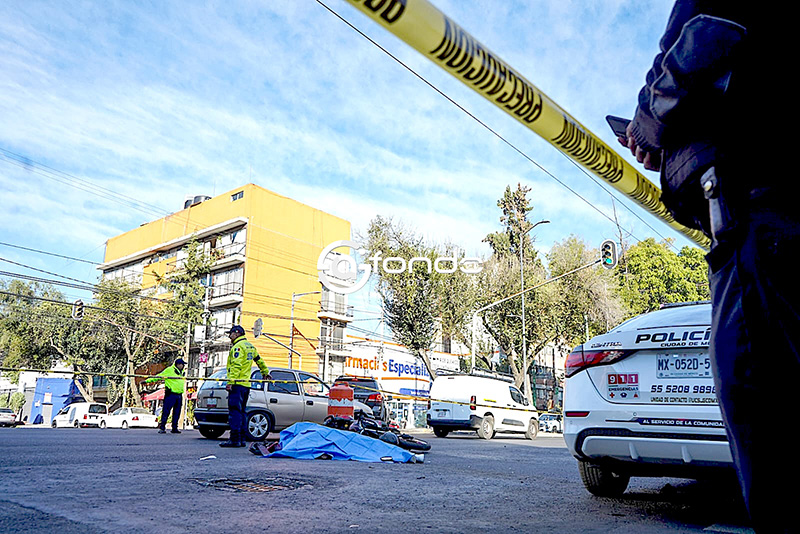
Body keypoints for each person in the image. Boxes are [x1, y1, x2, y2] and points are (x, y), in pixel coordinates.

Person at [621, 3, 797, 532]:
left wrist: (652, 117)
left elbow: (712, 25)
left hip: (759, 220)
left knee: (773, 435)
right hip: (768, 215)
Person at [218, 325, 269, 448]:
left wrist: (230, 382)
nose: (230, 337)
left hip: (237, 385)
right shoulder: (250, 347)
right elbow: (259, 360)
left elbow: (236, 366)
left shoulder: (238, 347)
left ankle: (234, 439)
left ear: (237, 334)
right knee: (241, 412)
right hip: (246, 385)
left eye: (231, 334)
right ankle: (241, 440)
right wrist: (265, 372)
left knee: (234, 412)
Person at [145, 358, 186, 434]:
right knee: (166, 411)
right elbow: (159, 376)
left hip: (179, 395)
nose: (182, 366)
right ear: (177, 365)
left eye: (183, 365)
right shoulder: (169, 370)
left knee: (177, 412)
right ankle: (162, 427)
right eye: (181, 365)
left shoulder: (182, 372)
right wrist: (147, 380)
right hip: (170, 394)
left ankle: (174, 428)